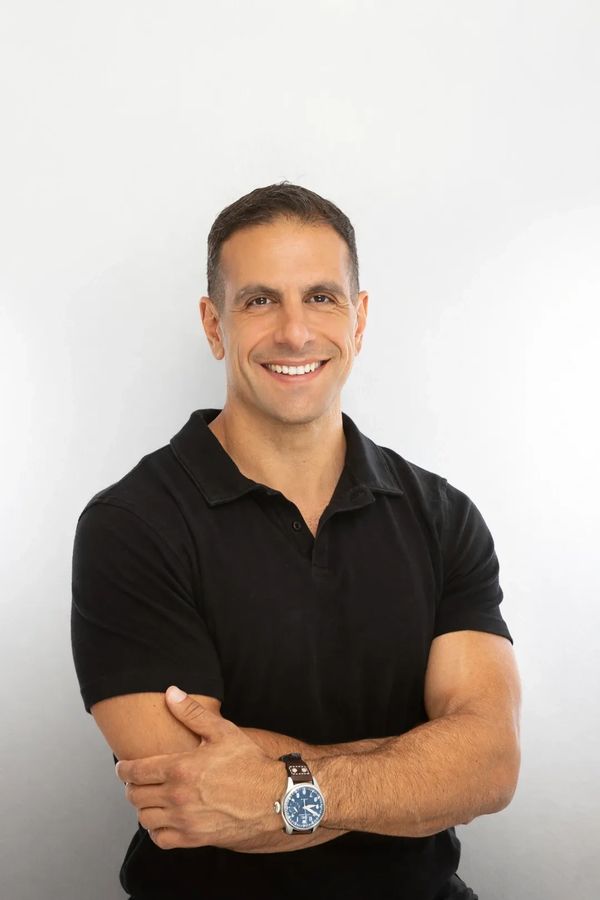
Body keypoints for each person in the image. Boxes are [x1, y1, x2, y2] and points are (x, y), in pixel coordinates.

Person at [71, 182, 521, 900]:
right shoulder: (131, 526)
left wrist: (283, 789)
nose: (294, 332)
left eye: (320, 297)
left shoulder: (443, 517)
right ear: (213, 324)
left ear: (359, 319)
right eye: (259, 300)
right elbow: (195, 791)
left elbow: (490, 763)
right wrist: (422, 766)